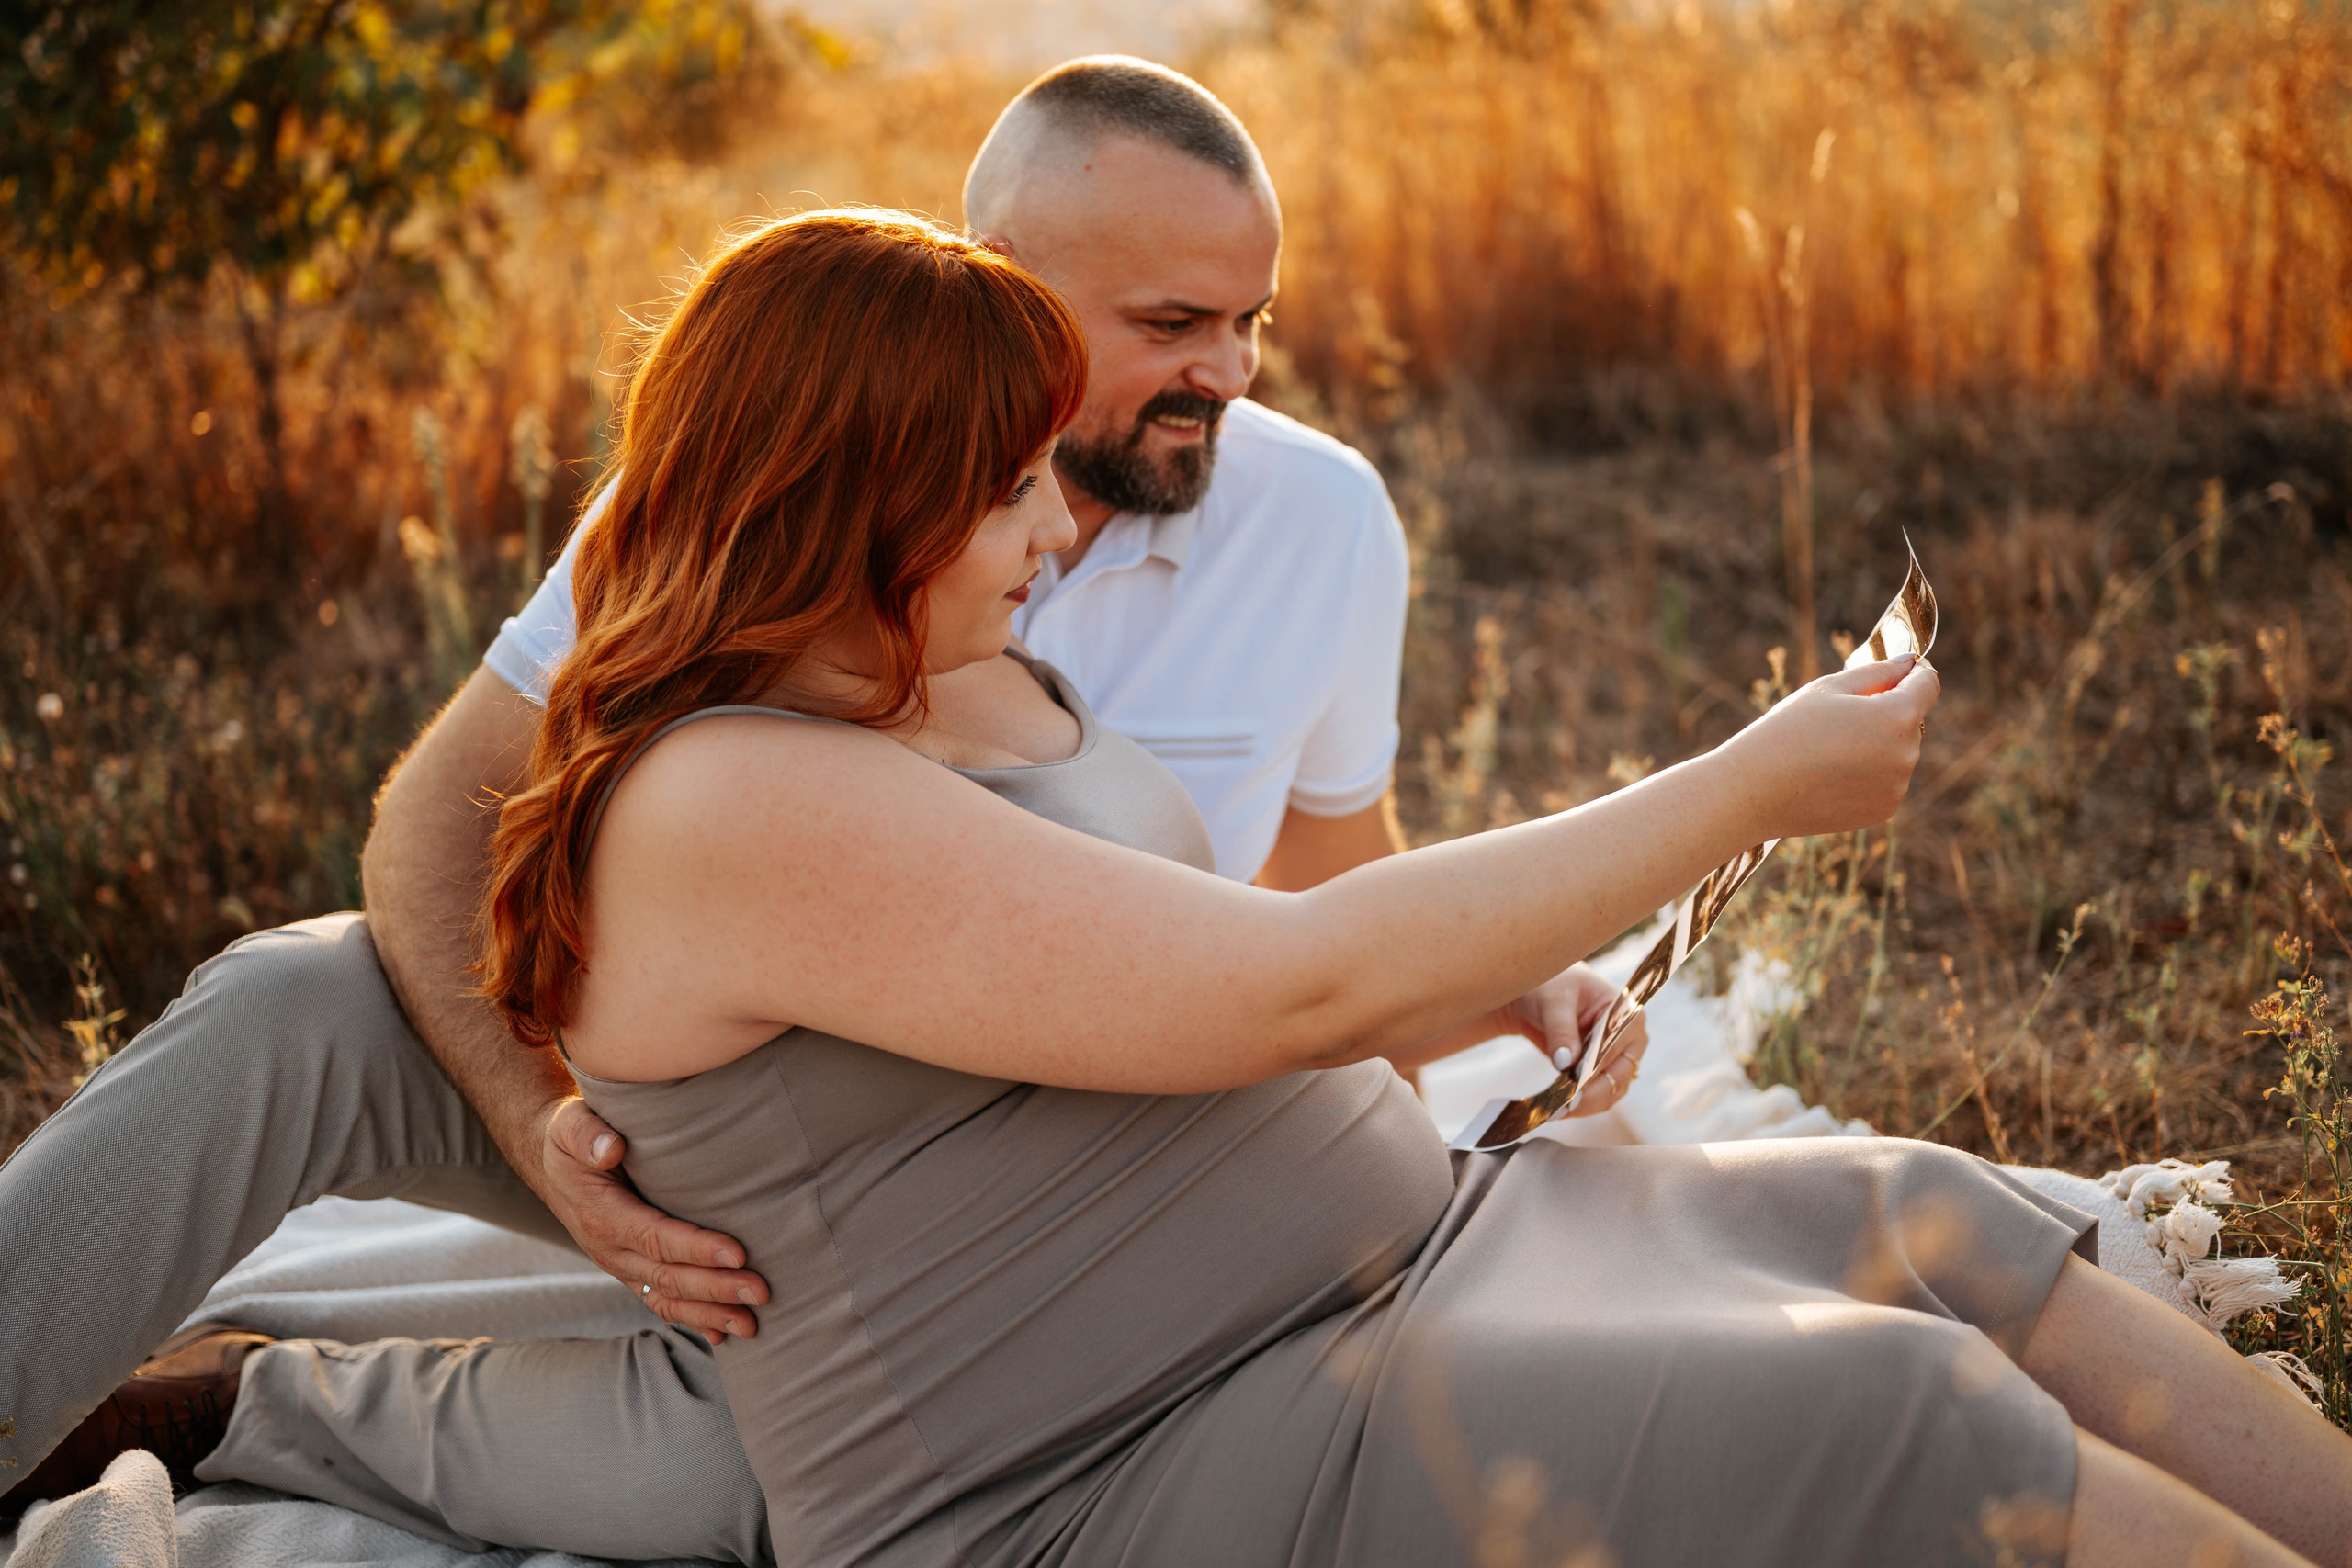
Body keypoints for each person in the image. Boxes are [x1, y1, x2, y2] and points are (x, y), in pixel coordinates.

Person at [424, 209, 2352, 1566]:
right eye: (1006, 481)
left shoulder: (942, 687)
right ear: (846, 489)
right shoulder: (725, 802)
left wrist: (1489, 993)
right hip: (1113, 1465)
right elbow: (1289, 985)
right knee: (1903, 1416)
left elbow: (1159, 982)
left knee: (1933, 1218)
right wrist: (1746, 782)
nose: (1053, 520)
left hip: (1388, 1260)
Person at [0, 58, 1619, 1547]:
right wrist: (538, 1125)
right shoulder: (773, 471)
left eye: (1257, 319)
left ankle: (244, 1403)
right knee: (296, 996)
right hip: (713, 1082)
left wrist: (1496, 986)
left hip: (1020, 1184)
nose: (1232, 374)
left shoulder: (1323, 525)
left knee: (792, 1486)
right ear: (1002, 284)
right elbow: (443, 813)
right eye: (1175, 322)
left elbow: (1325, 886)